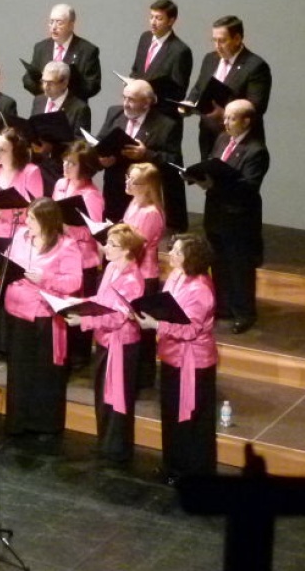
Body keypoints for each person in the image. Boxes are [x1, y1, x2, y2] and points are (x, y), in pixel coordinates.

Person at [0, 197, 83, 446]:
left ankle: (44, 423)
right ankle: (18, 421)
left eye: (32, 218)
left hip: (45, 315)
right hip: (17, 310)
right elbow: (7, 263)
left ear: (46, 220)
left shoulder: (65, 245)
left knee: (44, 372)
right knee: (20, 370)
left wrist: (44, 278)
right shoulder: (21, 236)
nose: (26, 221)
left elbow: (74, 281)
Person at [136, 233, 218, 486]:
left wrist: (156, 324)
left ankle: (193, 472)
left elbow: (191, 330)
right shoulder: (176, 275)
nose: (170, 253)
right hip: (174, 356)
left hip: (193, 363)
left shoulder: (201, 289)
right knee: (172, 414)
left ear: (191, 259)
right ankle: (174, 465)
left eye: (177, 252)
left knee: (191, 419)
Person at [66, 223, 146, 466]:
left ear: (127, 251)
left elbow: (118, 316)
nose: (105, 247)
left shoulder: (133, 279)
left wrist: (84, 320)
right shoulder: (111, 267)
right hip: (105, 341)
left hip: (121, 345)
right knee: (103, 395)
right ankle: (106, 444)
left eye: (112, 245)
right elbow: (101, 300)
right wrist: (77, 301)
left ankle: (117, 450)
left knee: (117, 396)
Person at [195, 99, 269, 334]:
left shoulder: (256, 150)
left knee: (239, 266)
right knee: (218, 262)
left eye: (231, 118)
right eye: (225, 117)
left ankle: (244, 313)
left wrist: (214, 184)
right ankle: (223, 306)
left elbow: (249, 187)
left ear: (246, 121)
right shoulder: (222, 139)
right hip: (216, 213)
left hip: (239, 218)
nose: (225, 122)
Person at [95, 78, 186, 231]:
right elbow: (100, 140)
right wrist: (101, 158)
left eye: (131, 100)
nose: (125, 104)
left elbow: (173, 161)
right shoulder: (114, 112)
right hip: (114, 188)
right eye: (124, 97)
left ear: (146, 102)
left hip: (143, 195)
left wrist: (146, 154)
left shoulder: (166, 125)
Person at [182, 15, 272, 159]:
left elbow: (257, 107)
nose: (217, 45)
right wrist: (188, 103)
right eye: (214, 40)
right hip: (209, 135)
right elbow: (199, 88)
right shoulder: (210, 59)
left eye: (222, 40)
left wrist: (223, 114)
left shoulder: (255, 66)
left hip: (238, 140)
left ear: (237, 39)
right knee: (207, 178)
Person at [52, 139, 105, 371]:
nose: (65, 166)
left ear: (84, 167)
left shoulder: (91, 195)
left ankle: (79, 356)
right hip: (62, 255)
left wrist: (65, 227)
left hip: (84, 260)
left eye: (72, 163)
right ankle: (63, 350)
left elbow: (92, 231)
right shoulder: (61, 185)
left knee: (79, 307)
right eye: (65, 161)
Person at [123, 162, 167, 389]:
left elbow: (137, 246)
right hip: (132, 273)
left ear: (148, 187)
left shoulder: (151, 213)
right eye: (128, 177)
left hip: (144, 275)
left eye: (134, 181)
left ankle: (143, 377)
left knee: (142, 329)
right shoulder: (134, 203)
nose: (128, 183)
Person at [30, 60, 92, 194]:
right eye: (43, 81)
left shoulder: (79, 108)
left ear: (65, 82)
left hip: (59, 170)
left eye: (51, 83)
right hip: (37, 165)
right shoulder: (39, 100)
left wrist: (53, 148)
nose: (45, 87)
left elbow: (80, 144)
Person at [0, 127, 45, 253]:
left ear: (15, 152)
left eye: (2, 150)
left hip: (16, 238)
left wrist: (1, 213)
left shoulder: (30, 172)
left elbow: (37, 212)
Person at [129, 0, 193, 121]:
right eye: (151, 17)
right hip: (138, 111)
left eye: (159, 18)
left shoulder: (180, 51)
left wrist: (151, 96)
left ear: (171, 21)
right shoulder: (145, 38)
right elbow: (136, 69)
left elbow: (178, 92)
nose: (153, 22)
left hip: (161, 115)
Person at [21, 3, 102, 101]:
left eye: (59, 22)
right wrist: (47, 89)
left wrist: (63, 89)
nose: (54, 27)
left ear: (71, 25)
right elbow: (27, 80)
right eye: (51, 22)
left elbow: (93, 86)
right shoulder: (41, 48)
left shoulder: (87, 50)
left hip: (72, 110)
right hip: (45, 107)